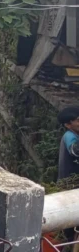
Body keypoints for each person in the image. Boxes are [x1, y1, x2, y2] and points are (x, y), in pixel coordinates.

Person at [57, 106, 79, 247]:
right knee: (71, 224)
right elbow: (75, 151)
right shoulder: (69, 137)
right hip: (69, 187)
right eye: (78, 120)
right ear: (68, 125)